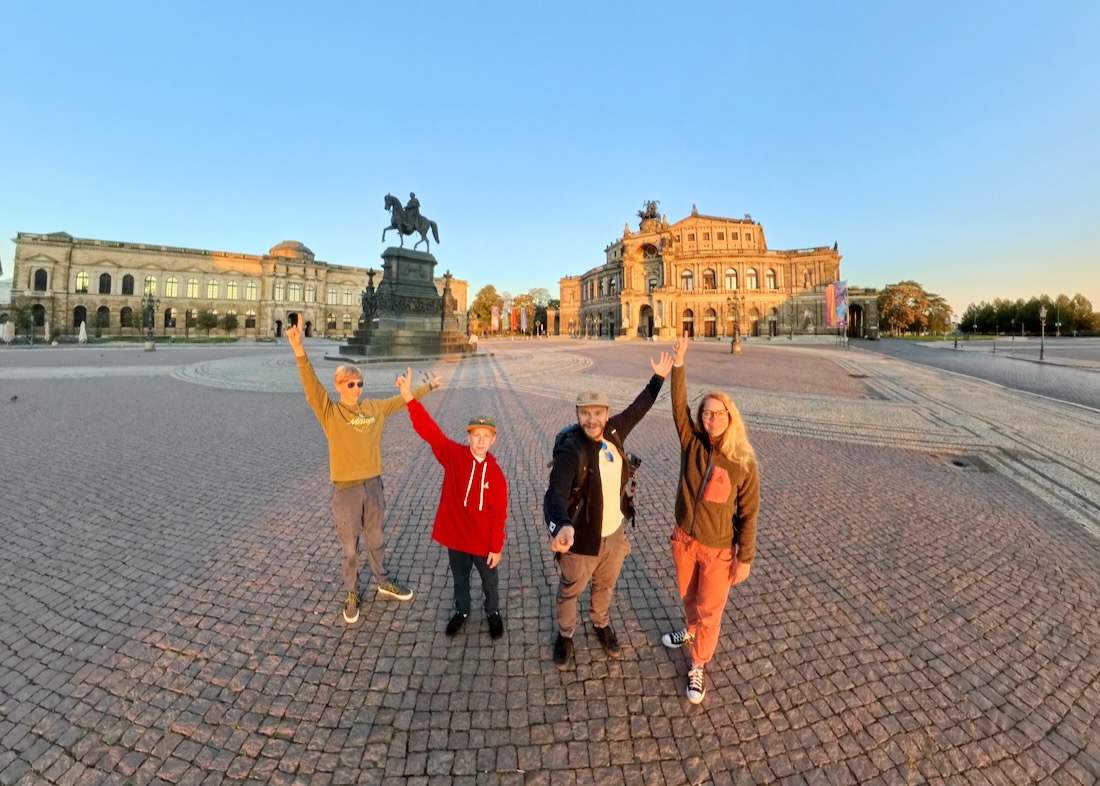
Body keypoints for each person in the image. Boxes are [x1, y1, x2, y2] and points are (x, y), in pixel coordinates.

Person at [286, 324, 441, 624]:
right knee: (349, 547)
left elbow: (402, 401)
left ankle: (383, 582)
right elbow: (311, 387)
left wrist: (427, 387)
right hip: (346, 490)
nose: (356, 389)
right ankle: (352, 591)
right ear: (339, 386)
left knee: (376, 537)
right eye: (350, 384)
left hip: (373, 485)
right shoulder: (330, 412)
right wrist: (299, 351)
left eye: (359, 383)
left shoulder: (373, 408)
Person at [543, 351, 675, 670]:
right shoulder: (570, 450)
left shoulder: (614, 432)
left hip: (614, 535)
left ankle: (601, 624)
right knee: (570, 590)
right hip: (581, 538)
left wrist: (658, 378)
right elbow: (554, 493)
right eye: (585, 414)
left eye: (597, 413)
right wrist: (560, 525)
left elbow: (638, 409)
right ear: (577, 415)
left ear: (607, 413)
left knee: (606, 586)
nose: (592, 420)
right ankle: (565, 634)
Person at [662, 332, 760, 703]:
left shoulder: (742, 462)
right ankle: (689, 630)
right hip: (685, 538)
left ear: (730, 417)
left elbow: (748, 514)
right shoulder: (692, 442)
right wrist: (680, 363)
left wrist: (745, 557)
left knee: (711, 609)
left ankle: (698, 663)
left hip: (718, 550)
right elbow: (678, 406)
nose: (711, 418)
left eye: (717, 413)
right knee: (688, 596)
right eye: (706, 413)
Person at [396, 368, 508, 639]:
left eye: (486, 436)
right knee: (460, 580)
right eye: (476, 435)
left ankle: (492, 611)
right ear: (468, 436)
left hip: (483, 542)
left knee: (489, 581)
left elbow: (499, 514)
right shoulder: (454, 456)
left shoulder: (496, 474)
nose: (480, 440)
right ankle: (463, 610)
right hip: (457, 539)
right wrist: (409, 398)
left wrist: (496, 546)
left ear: (493, 440)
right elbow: (431, 433)